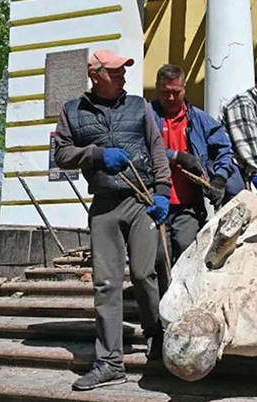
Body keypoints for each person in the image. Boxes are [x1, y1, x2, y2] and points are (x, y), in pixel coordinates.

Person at [54, 50, 171, 391]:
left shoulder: (139, 106)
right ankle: (109, 362)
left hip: (141, 200)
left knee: (144, 273)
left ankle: (156, 334)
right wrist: (97, 155)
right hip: (104, 204)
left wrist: (162, 190)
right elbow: (61, 154)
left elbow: (156, 148)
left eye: (123, 71)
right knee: (105, 283)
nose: (123, 76)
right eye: (117, 71)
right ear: (97, 74)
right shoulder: (72, 111)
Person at [149, 64, 241, 295]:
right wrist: (176, 156)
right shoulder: (146, 117)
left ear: (184, 89)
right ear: (157, 90)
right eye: (164, 92)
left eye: (176, 92)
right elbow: (140, 149)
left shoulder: (199, 119)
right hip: (152, 201)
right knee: (159, 258)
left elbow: (225, 150)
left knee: (187, 250)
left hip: (187, 206)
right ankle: (161, 313)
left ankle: (186, 304)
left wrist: (219, 178)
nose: (170, 97)